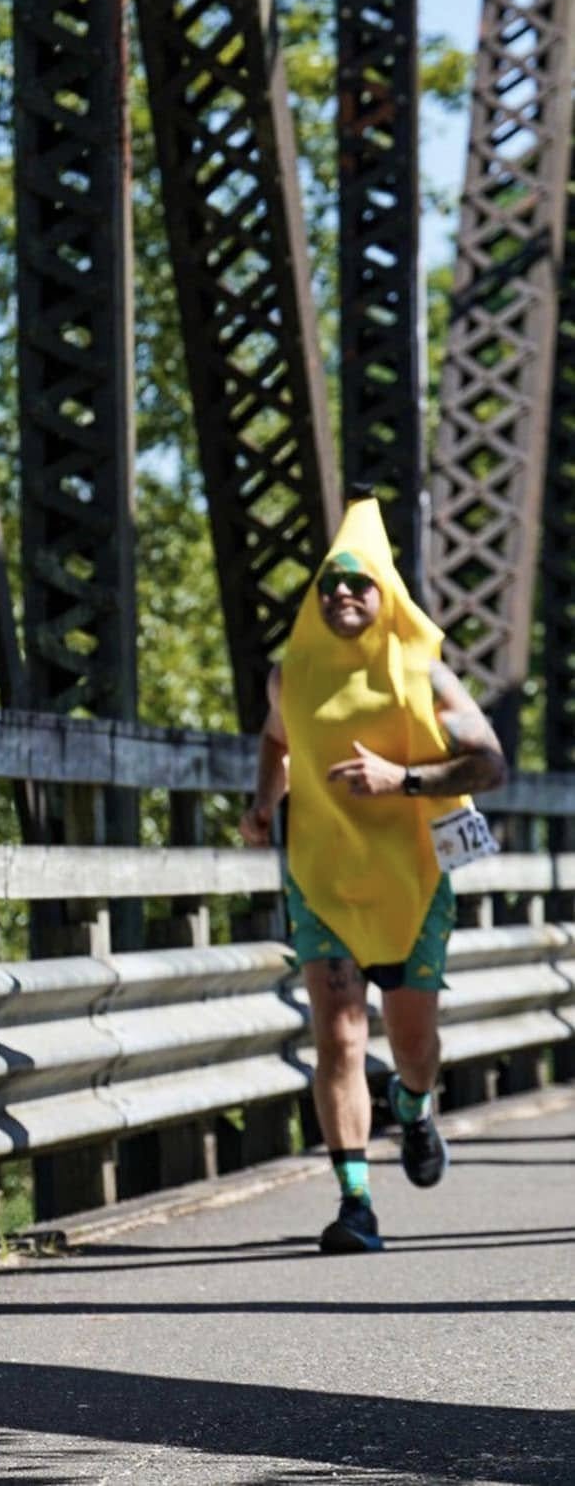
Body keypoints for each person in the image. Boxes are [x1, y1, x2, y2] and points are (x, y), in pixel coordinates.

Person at [239, 495, 507, 1253]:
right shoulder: (290, 675)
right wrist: (264, 802)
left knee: (413, 1045)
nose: (343, 596)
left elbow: (490, 763)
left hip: (412, 881)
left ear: (385, 592)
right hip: (322, 878)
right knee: (341, 1037)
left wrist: (404, 781)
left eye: (359, 583)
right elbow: (275, 740)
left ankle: (415, 1108)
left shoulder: (424, 673)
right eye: (329, 586)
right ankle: (355, 1202)